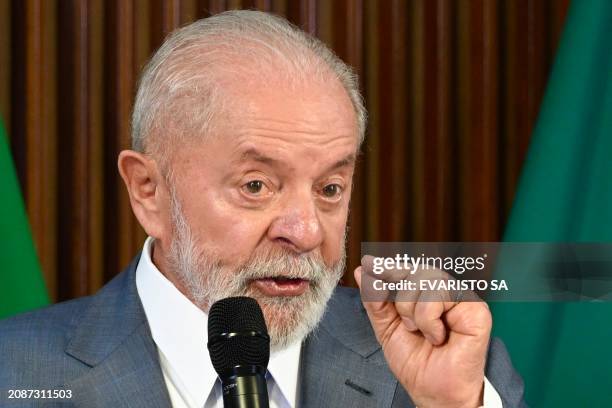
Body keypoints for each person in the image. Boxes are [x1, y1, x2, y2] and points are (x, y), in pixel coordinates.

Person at [0, 10, 525, 407]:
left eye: (330, 188)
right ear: (148, 191)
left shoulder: (455, 370)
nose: (304, 231)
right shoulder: (13, 373)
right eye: (256, 185)